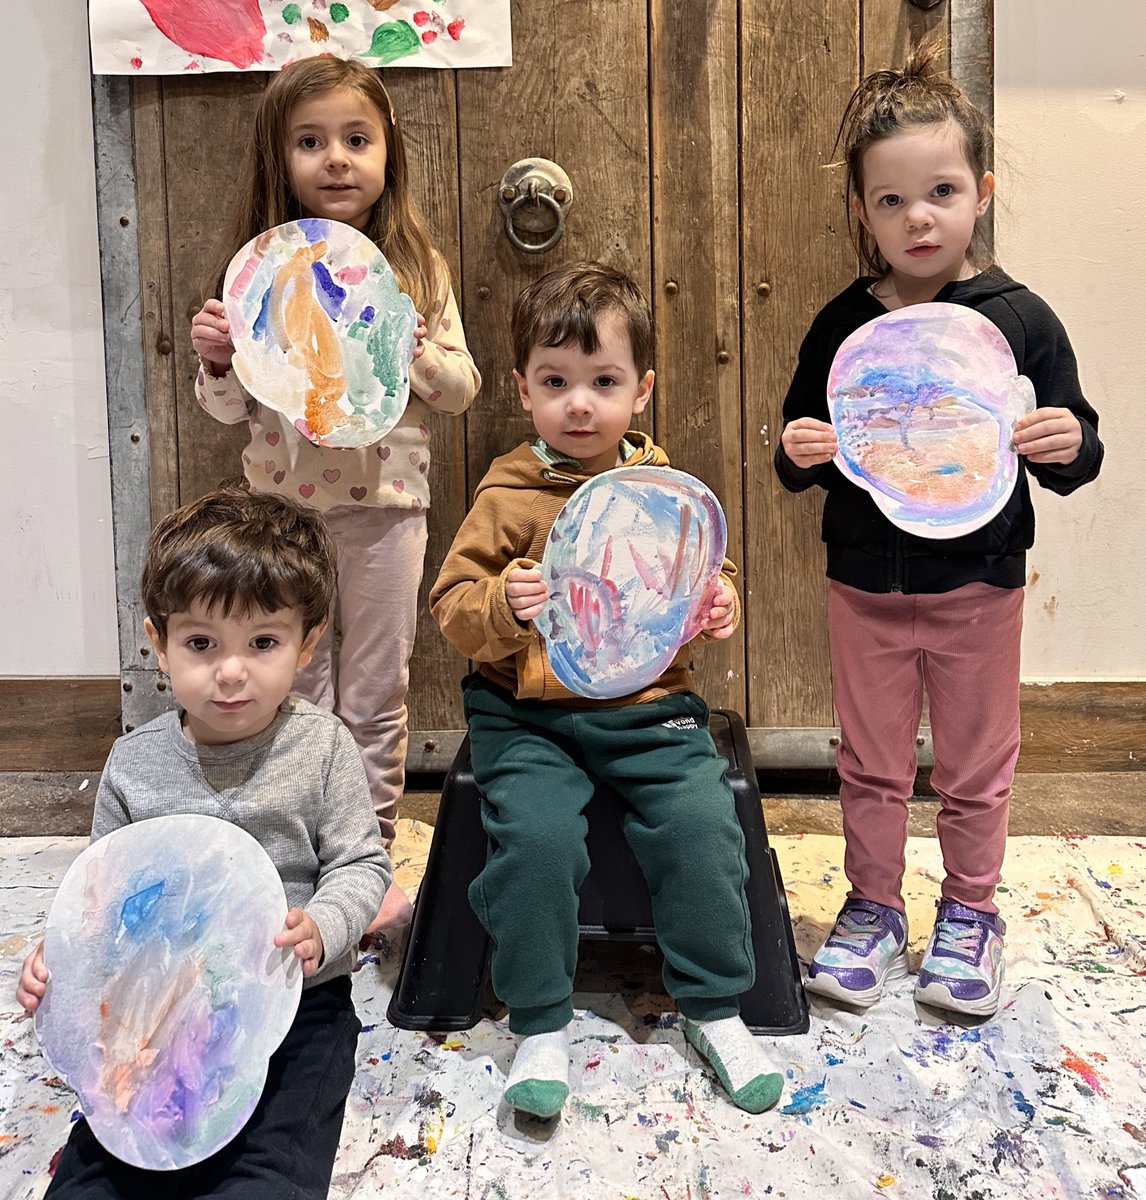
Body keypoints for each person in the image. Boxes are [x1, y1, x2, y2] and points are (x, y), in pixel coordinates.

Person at [774, 41, 1103, 1018]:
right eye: (890, 201)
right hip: (864, 585)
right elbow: (800, 449)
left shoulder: (1018, 320)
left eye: (942, 191)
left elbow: (1079, 452)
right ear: (861, 212)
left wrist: (1063, 437)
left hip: (980, 585)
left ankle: (971, 913)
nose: (919, 218)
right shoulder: (844, 325)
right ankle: (873, 907)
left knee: (973, 764)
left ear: (981, 192)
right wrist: (799, 448)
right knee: (869, 762)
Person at [430, 263, 784, 1119]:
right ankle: (541, 1021)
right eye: (555, 383)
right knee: (538, 843)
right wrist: (504, 608)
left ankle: (715, 1007)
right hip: (528, 715)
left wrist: (717, 599)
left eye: (603, 382)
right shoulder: (507, 492)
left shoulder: (662, 490)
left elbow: (701, 570)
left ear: (642, 390)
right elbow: (452, 606)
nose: (579, 404)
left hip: (648, 706)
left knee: (704, 830)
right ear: (522, 388)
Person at [17, 488, 391, 1198]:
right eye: (200, 643)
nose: (230, 670)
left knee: (267, 1174)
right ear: (158, 641)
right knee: (96, 1174)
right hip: (156, 1018)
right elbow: (98, 898)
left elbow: (361, 864)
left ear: (306, 644)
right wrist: (55, 958)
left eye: (263, 643)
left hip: (296, 1008)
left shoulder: (322, 748)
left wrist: (323, 925)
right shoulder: (134, 764)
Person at [190, 56, 480, 934]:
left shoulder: (415, 265)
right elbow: (230, 408)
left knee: (375, 691)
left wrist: (419, 347)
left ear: (389, 152)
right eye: (311, 142)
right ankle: (294, 859)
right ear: (281, 159)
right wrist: (216, 358)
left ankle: (370, 858)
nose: (337, 160)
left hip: (389, 506)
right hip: (284, 517)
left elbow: (459, 390)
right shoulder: (263, 271)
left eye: (357, 139)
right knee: (296, 689)